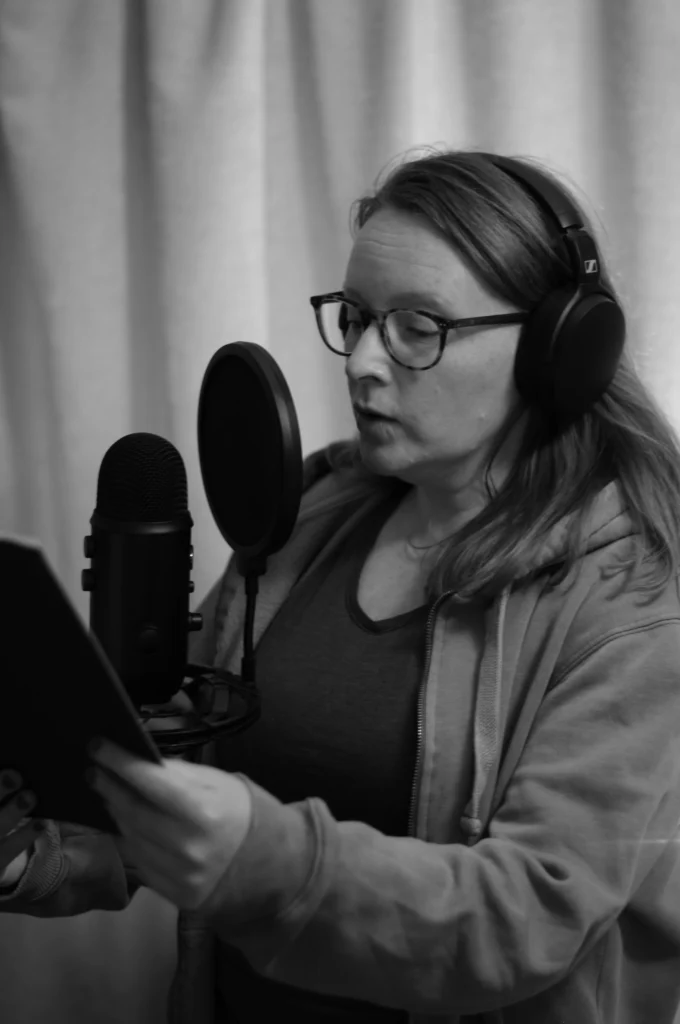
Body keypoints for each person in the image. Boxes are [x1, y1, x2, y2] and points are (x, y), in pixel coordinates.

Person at [2, 148, 680, 1024]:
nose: (362, 361)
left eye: (417, 327)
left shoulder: (632, 592)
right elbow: (179, 793)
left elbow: (530, 916)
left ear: (561, 349)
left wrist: (267, 857)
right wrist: (39, 854)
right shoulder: (315, 512)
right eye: (356, 317)